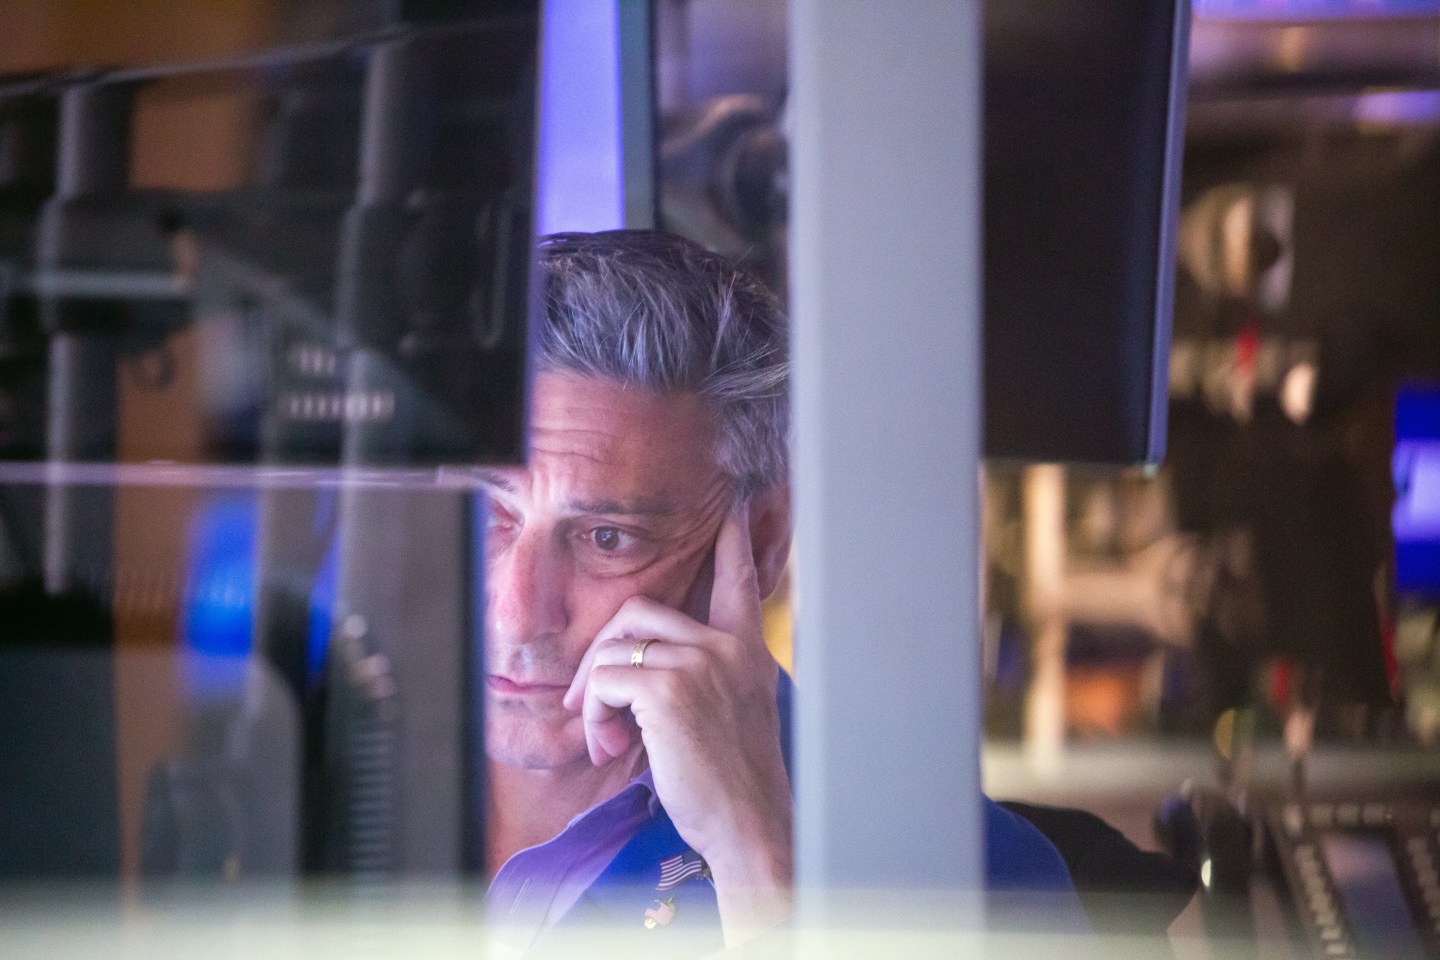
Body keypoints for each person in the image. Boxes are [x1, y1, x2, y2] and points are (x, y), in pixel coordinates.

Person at [481, 230, 1083, 956]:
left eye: (608, 538)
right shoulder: (356, 767)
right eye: (488, 517)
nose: (516, 614)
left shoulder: (963, 873)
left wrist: (757, 864)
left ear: (763, 540)